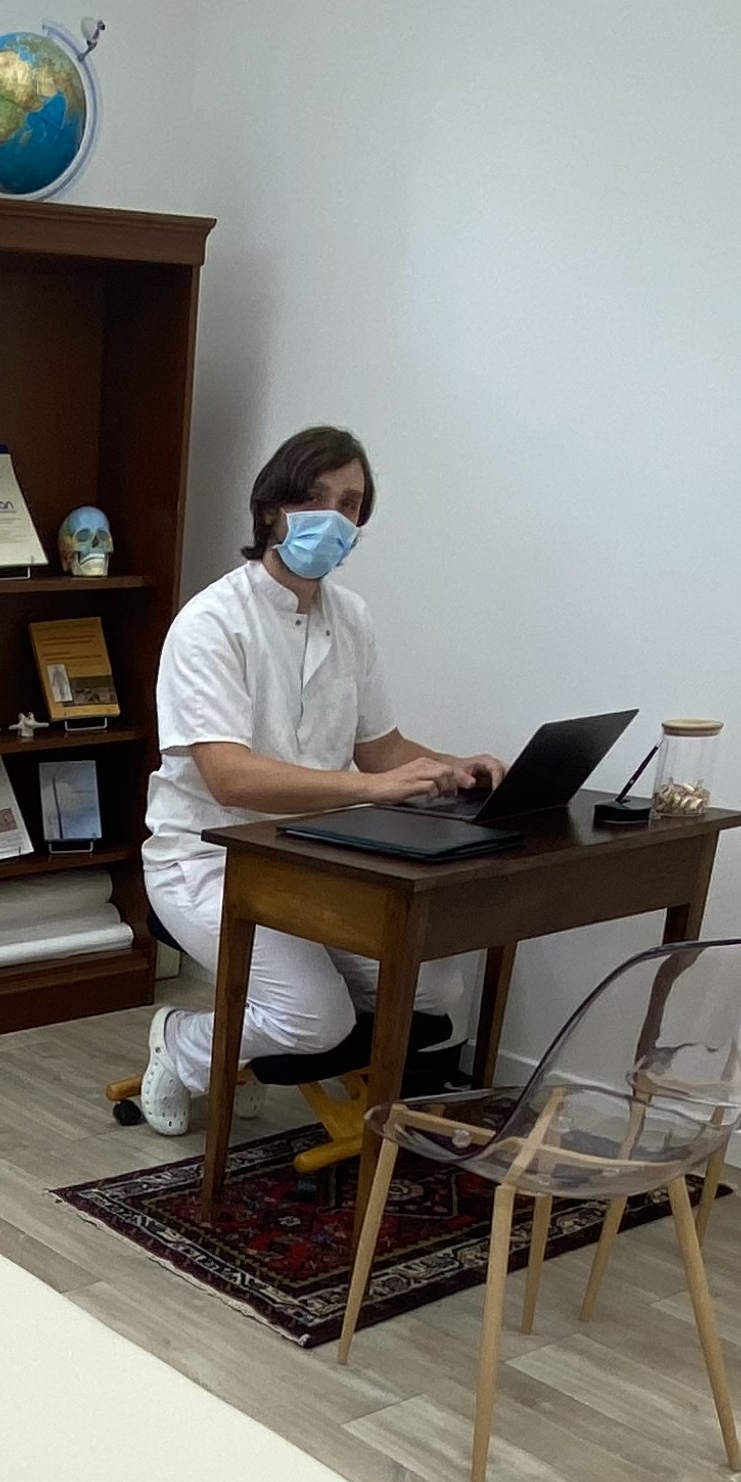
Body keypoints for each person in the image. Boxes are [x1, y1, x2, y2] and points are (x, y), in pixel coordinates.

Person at [128, 424, 505, 1137]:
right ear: (271, 508)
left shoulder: (351, 618)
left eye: (350, 504)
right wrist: (374, 789)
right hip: (207, 860)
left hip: (315, 855)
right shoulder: (211, 624)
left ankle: (264, 1039)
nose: (332, 516)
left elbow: (380, 747)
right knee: (314, 1017)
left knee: (432, 985)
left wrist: (454, 767)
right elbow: (229, 778)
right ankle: (182, 1042)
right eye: (314, 496)